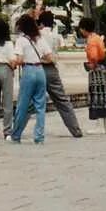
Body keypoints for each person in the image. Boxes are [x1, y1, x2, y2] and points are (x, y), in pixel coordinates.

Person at [37, 10, 82, 138]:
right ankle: (75, 129)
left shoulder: (36, 35)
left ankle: (16, 130)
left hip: (37, 68)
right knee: (62, 100)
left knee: (29, 100)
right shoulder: (56, 36)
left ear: (40, 22)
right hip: (52, 70)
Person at [10, 14, 50, 145]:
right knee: (40, 106)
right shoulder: (40, 39)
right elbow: (50, 57)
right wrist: (38, 60)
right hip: (40, 71)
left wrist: (13, 63)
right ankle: (39, 137)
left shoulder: (21, 40)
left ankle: (16, 135)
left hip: (28, 71)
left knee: (22, 105)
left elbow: (20, 59)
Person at [77, 17, 106, 128]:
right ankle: (102, 125)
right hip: (103, 69)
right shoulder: (97, 38)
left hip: (97, 71)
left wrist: (92, 65)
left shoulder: (91, 41)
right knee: (104, 97)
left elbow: (94, 57)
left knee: (97, 97)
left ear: (83, 28)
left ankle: (100, 126)